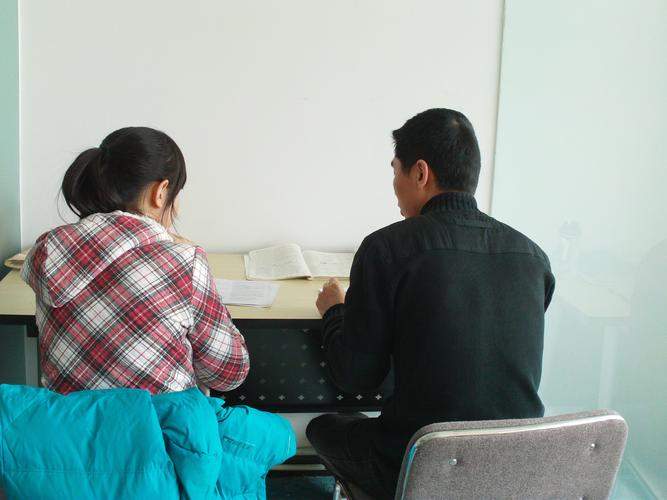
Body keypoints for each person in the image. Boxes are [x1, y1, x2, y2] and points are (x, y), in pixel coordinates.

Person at [308, 108, 556, 499]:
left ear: (421, 173)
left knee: (323, 428)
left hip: (420, 465)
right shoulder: (533, 257)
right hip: (515, 469)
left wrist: (335, 312)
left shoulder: (386, 248)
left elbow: (356, 378)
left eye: (396, 171)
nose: (394, 184)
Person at [21, 126, 250, 394]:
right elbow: (227, 374)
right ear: (161, 192)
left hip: (69, 420)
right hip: (156, 420)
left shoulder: (47, 250)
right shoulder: (183, 262)